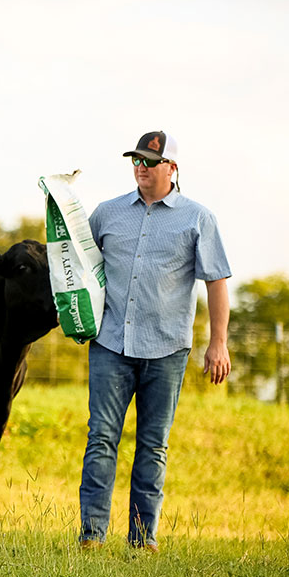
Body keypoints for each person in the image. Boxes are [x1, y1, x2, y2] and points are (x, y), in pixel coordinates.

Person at [78, 130, 231, 553]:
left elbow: (217, 281)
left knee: (153, 444)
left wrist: (218, 342)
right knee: (102, 437)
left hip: (167, 350)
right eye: (136, 160)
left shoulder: (198, 219)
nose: (141, 167)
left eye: (150, 161)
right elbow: (80, 267)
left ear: (172, 168)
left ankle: (143, 539)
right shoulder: (106, 214)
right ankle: (92, 535)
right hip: (110, 344)